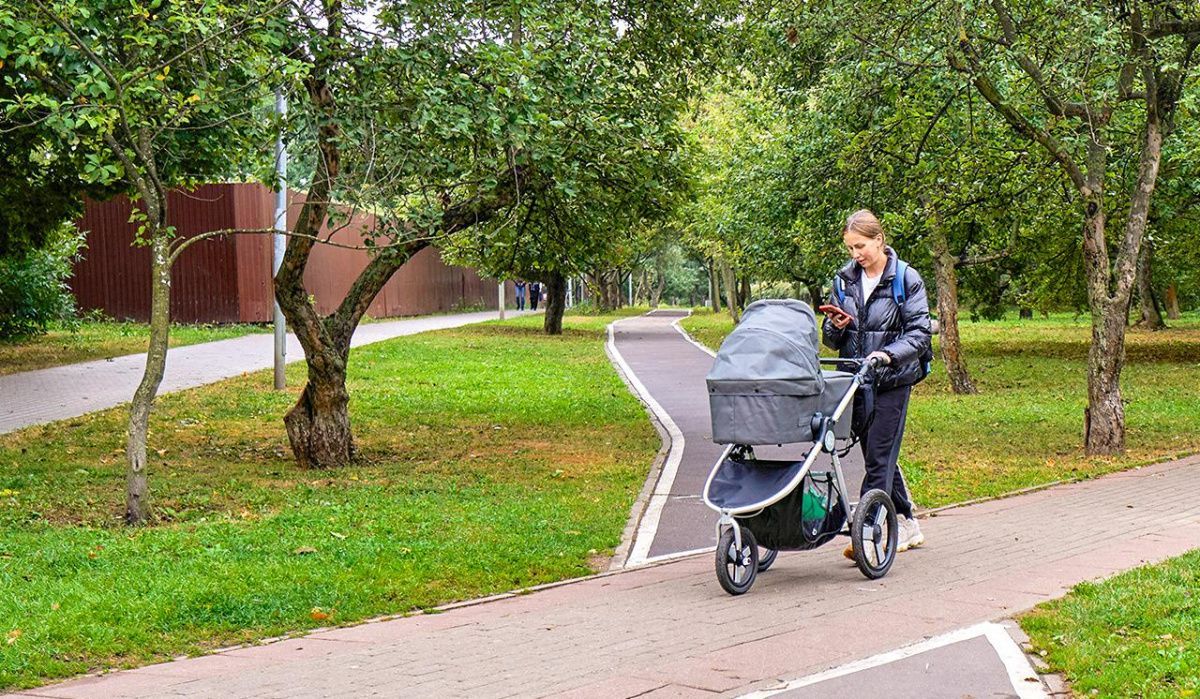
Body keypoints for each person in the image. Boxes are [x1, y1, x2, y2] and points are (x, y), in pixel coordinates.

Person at [821, 209, 932, 556]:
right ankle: (908, 522)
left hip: (893, 380)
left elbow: (919, 334)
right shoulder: (844, 280)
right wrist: (836, 326)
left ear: (879, 240)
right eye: (851, 248)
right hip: (858, 381)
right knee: (876, 455)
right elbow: (831, 340)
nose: (856, 254)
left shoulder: (906, 278)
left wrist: (887, 355)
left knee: (880, 458)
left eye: (861, 245)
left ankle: (867, 534)